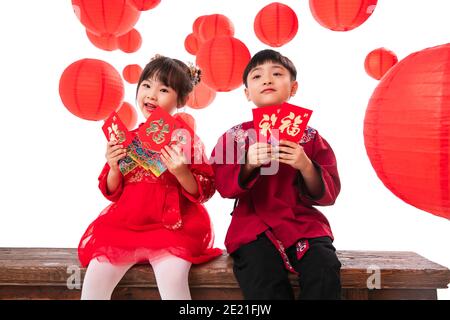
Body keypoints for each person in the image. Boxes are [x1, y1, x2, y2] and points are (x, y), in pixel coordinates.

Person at [78, 55, 222, 300]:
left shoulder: (185, 140)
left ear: (181, 99)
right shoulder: (128, 137)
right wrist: (114, 167)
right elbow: (112, 191)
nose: (152, 95)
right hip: (126, 224)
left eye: (163, 89)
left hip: (172, 227)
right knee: (94, 283)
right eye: (146, 85)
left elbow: (204, 190)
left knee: (173, 281)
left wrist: (181, 171)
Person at [211, 49, 342, 300]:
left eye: (277, 73)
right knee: (263, 279)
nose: (267, 80)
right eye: (257, 76)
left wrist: (305, 165)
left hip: (302, 223)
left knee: (324, 268)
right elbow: (223, 185)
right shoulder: (235, 136)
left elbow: (329, 192)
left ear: (293, 88)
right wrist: (248, 164)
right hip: (252, 226)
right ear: (247, 93)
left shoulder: (310, 137)